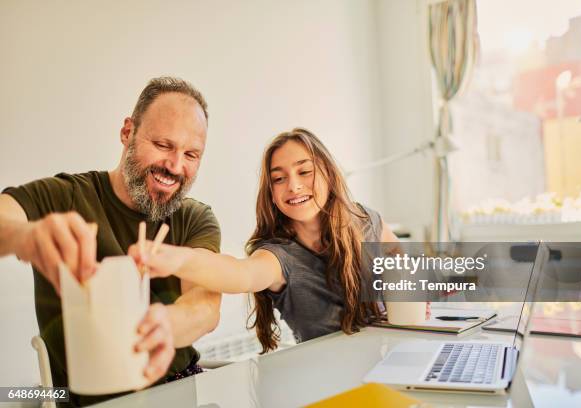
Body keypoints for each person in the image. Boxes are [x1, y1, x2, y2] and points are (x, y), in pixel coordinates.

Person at [0, 77, 221, 406]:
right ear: (127, 131)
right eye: (163, 145)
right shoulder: (65, 197)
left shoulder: (195, 218)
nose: (175, 166)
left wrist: (164, 325)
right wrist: (27, 236)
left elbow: (205, 306)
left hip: (180, 392)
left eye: (191, 154)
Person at [129, 127, 406, 353]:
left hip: (395, 359)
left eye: (304, 171)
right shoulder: (278, 257)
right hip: (331, 384)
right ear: (271, 193)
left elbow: (404, 263)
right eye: (279, 178)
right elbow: (240, 274)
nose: (293, 186)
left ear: (328, 175)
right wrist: (176, 258)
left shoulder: (365, 221)